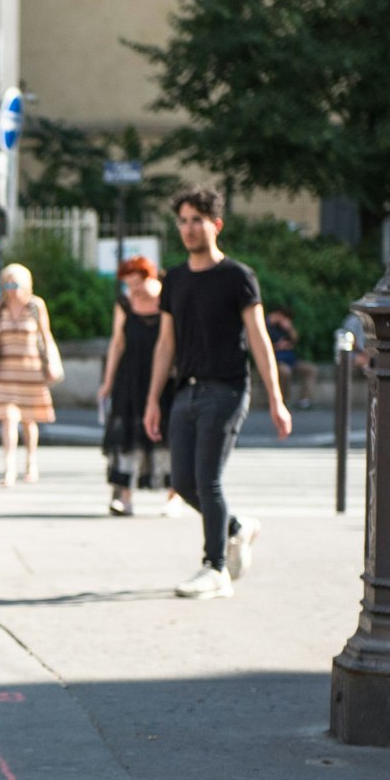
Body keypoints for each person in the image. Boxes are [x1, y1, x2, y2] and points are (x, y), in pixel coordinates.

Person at [144, 185, 292, 600]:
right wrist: (153, 399)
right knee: (184, 481)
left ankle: (216, 569)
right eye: (184, 221)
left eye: (197, 220)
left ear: (216, 225)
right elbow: (165, 344)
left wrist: (276, 400)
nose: (189, 229)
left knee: (208, 480)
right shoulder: (173, 279)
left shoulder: (237, 277)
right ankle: (237, 528)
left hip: (226, 389)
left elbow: (259, 339)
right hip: (185, 391)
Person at [97, 255, 172, 516]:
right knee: (126, 436)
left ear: (149, 277)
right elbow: (117, 342)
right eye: (128, 284)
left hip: (164, 379)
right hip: (130, 376)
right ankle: (124, 498)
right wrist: (107, 382)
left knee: (168, 435)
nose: (133, 289)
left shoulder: (167, 300)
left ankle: (174, 496)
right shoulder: (125, 303)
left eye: (136, 283)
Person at [0, 263, 63, 486]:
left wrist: (53, 362)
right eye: (7, 283)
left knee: (29, 421)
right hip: (5, 370)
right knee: (8, 418)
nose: (11, 288)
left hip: (30, 370)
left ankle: (31, 462)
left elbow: (46, 335)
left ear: (25, 284)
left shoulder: (36, 305)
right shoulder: (1, 305)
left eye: (15, 283)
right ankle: (9, 468)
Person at [265, 303, 318, 407]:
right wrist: (277, 346)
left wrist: (289, 328)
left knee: (311, 369)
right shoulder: (265, 324)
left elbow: (295, 339)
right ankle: (284, 401)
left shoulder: (283, 326)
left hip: (291, 359)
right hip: (276, 360)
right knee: (285, 372)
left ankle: (304, 400)